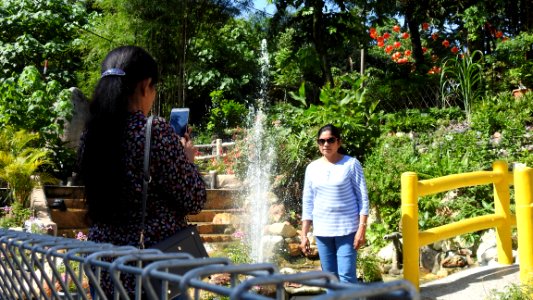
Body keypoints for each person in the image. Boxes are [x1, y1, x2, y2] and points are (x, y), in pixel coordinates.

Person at [78, 46, 206, 297]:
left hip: (102, 260)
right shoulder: (153, 131)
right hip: (148, 265)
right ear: (145, 86)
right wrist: (188, 160)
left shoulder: (91, 136)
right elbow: (194, 198)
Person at [299, 124, 369, 284]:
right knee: (330, 278)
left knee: (346, 276)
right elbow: (308, 202)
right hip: (323, 231)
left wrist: (362, 228)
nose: (326, 144)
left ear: (339, 142)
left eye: (330, 140)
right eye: (321, 141)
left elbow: (363, 199)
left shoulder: (351, 164)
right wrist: (304, 235)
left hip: (347, 230)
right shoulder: (311, 168)